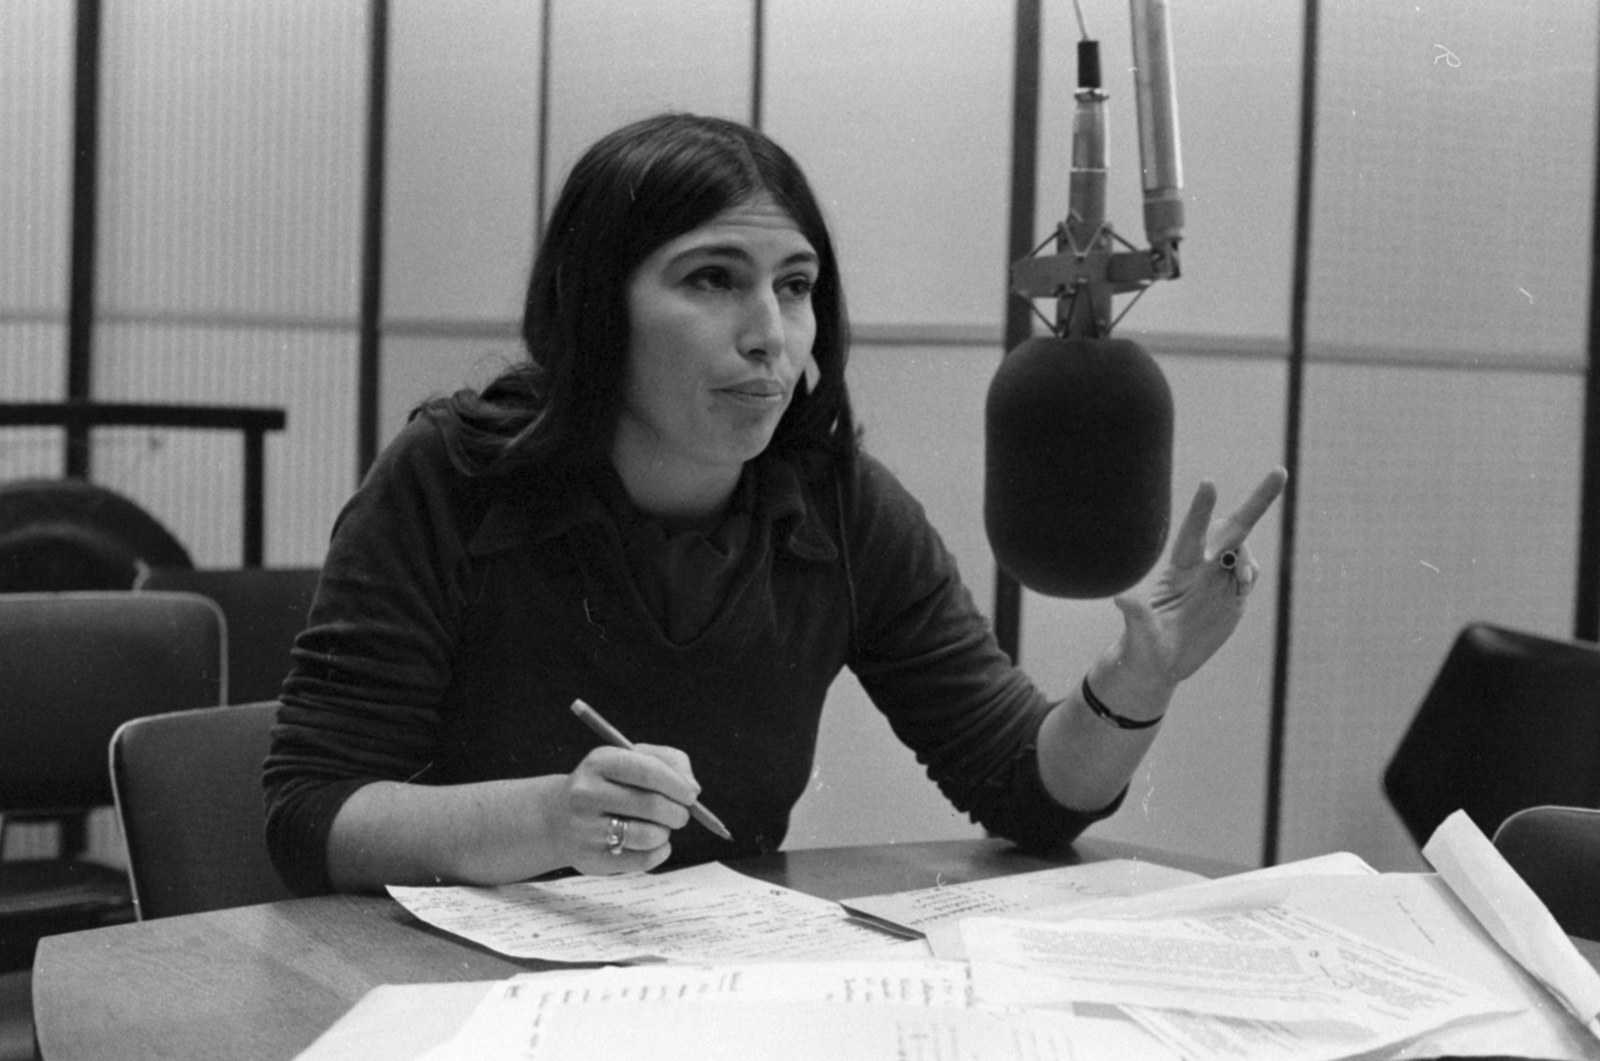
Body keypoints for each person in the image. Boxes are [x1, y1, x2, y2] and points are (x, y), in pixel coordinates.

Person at [262, 112, 1286, 896]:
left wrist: (1133, 683)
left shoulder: (838, 504)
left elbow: (1025, 787)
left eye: (795, 287)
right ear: (594, 306)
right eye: (712, 279)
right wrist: (547, 818)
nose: (770, 334)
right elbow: (311, 813)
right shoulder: (450, 477)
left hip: (712, 989)